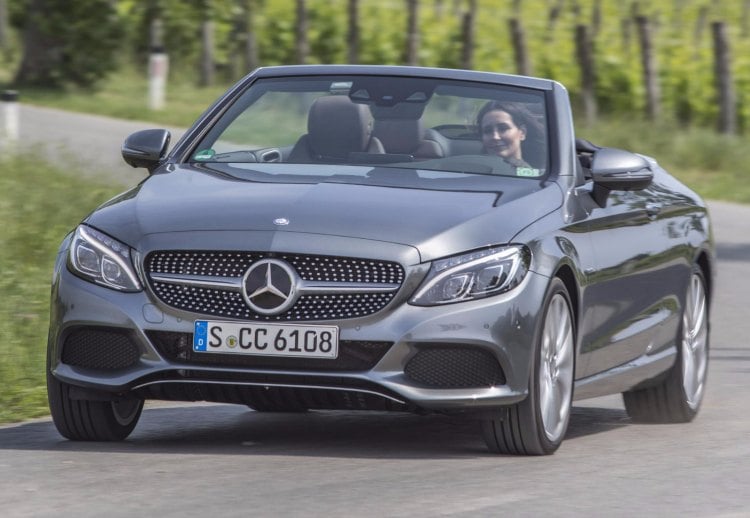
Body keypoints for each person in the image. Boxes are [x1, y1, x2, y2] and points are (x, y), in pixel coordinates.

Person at [476, 101, 545, 169]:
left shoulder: (536, 174)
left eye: (503, 128)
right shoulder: (472, 171)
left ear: (522, 132)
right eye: (488, 131)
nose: (495, 137)